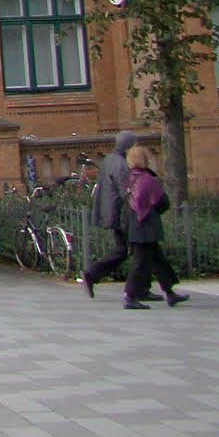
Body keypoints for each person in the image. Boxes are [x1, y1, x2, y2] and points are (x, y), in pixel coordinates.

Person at [122, 144, 189, 310]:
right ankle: (130, 296)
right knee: (140, 262)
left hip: (135, 225)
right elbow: (162, 202)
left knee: (158, 260)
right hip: (146, 226)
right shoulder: (148, 179)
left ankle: (169, 292)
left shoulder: (130, 179)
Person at [83, 129, 138, 298]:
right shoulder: (121, 164)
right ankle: (92, 273)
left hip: (114, 212)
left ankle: (144, 288)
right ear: (128, 146)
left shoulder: (109, 160)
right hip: (122, 214)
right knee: (130, 250)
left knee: (133, 250)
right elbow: (125, 190)